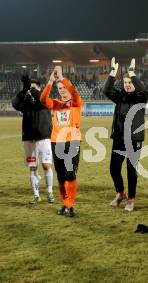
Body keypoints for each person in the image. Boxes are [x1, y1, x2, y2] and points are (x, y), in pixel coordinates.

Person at [104, 58, 148, 212]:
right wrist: (112, 73)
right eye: (125, 83)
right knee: (113, 169)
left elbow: (145, 91)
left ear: (134, 83)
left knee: (131, 170)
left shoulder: (140, 98)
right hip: (119, 138)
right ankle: (120, 193)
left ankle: (131, 199)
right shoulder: (119, 97)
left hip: (134, 139)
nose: (127, 85)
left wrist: (132, 74)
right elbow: (106, 90)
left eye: (130, 82)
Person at [40, 66, 82, 217]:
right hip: (56, 142)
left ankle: (71, 206)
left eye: (64, 87)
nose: (63, 89)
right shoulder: (56, 104)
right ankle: (65, 204)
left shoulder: (76, 103)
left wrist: (62, 78)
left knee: (70, 174)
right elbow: (43, 99)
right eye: (60, 88)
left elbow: (75, 92)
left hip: (72, 142)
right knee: (60, 176)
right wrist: (51, 81)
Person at [11, 75, 54, 204]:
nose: (31, 90)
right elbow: (14, 103)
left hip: (43, 138)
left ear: (39, 89)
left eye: (33, 88)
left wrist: (32, 90)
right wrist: (24, 90)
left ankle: (50, 193)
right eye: (30, 88)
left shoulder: (44, 99)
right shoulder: (26, 102)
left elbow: (41, 99)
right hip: (29, 139)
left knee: (46, 165)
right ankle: (36, 195)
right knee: (33, 168)